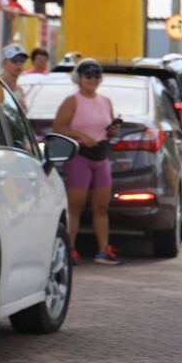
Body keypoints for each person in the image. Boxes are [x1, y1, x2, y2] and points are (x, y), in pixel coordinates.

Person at [52, 59, 122, 265]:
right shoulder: (72, 100)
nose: (93, 79)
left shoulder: (106, 101)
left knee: (101, 207)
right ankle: (70, 249)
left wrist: (113, 131)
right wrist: (80, 136)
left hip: (100, 156)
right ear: (79, 78)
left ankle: (103, 250)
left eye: (97, 75)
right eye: (88, 75)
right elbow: (58, 127)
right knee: (75, 206)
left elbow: (108, 129)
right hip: (80, 156)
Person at [0, 44, 29, 112]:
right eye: (14, 60)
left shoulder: (19, 89)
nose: (19, 64)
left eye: (22, 60)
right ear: (4, 63)